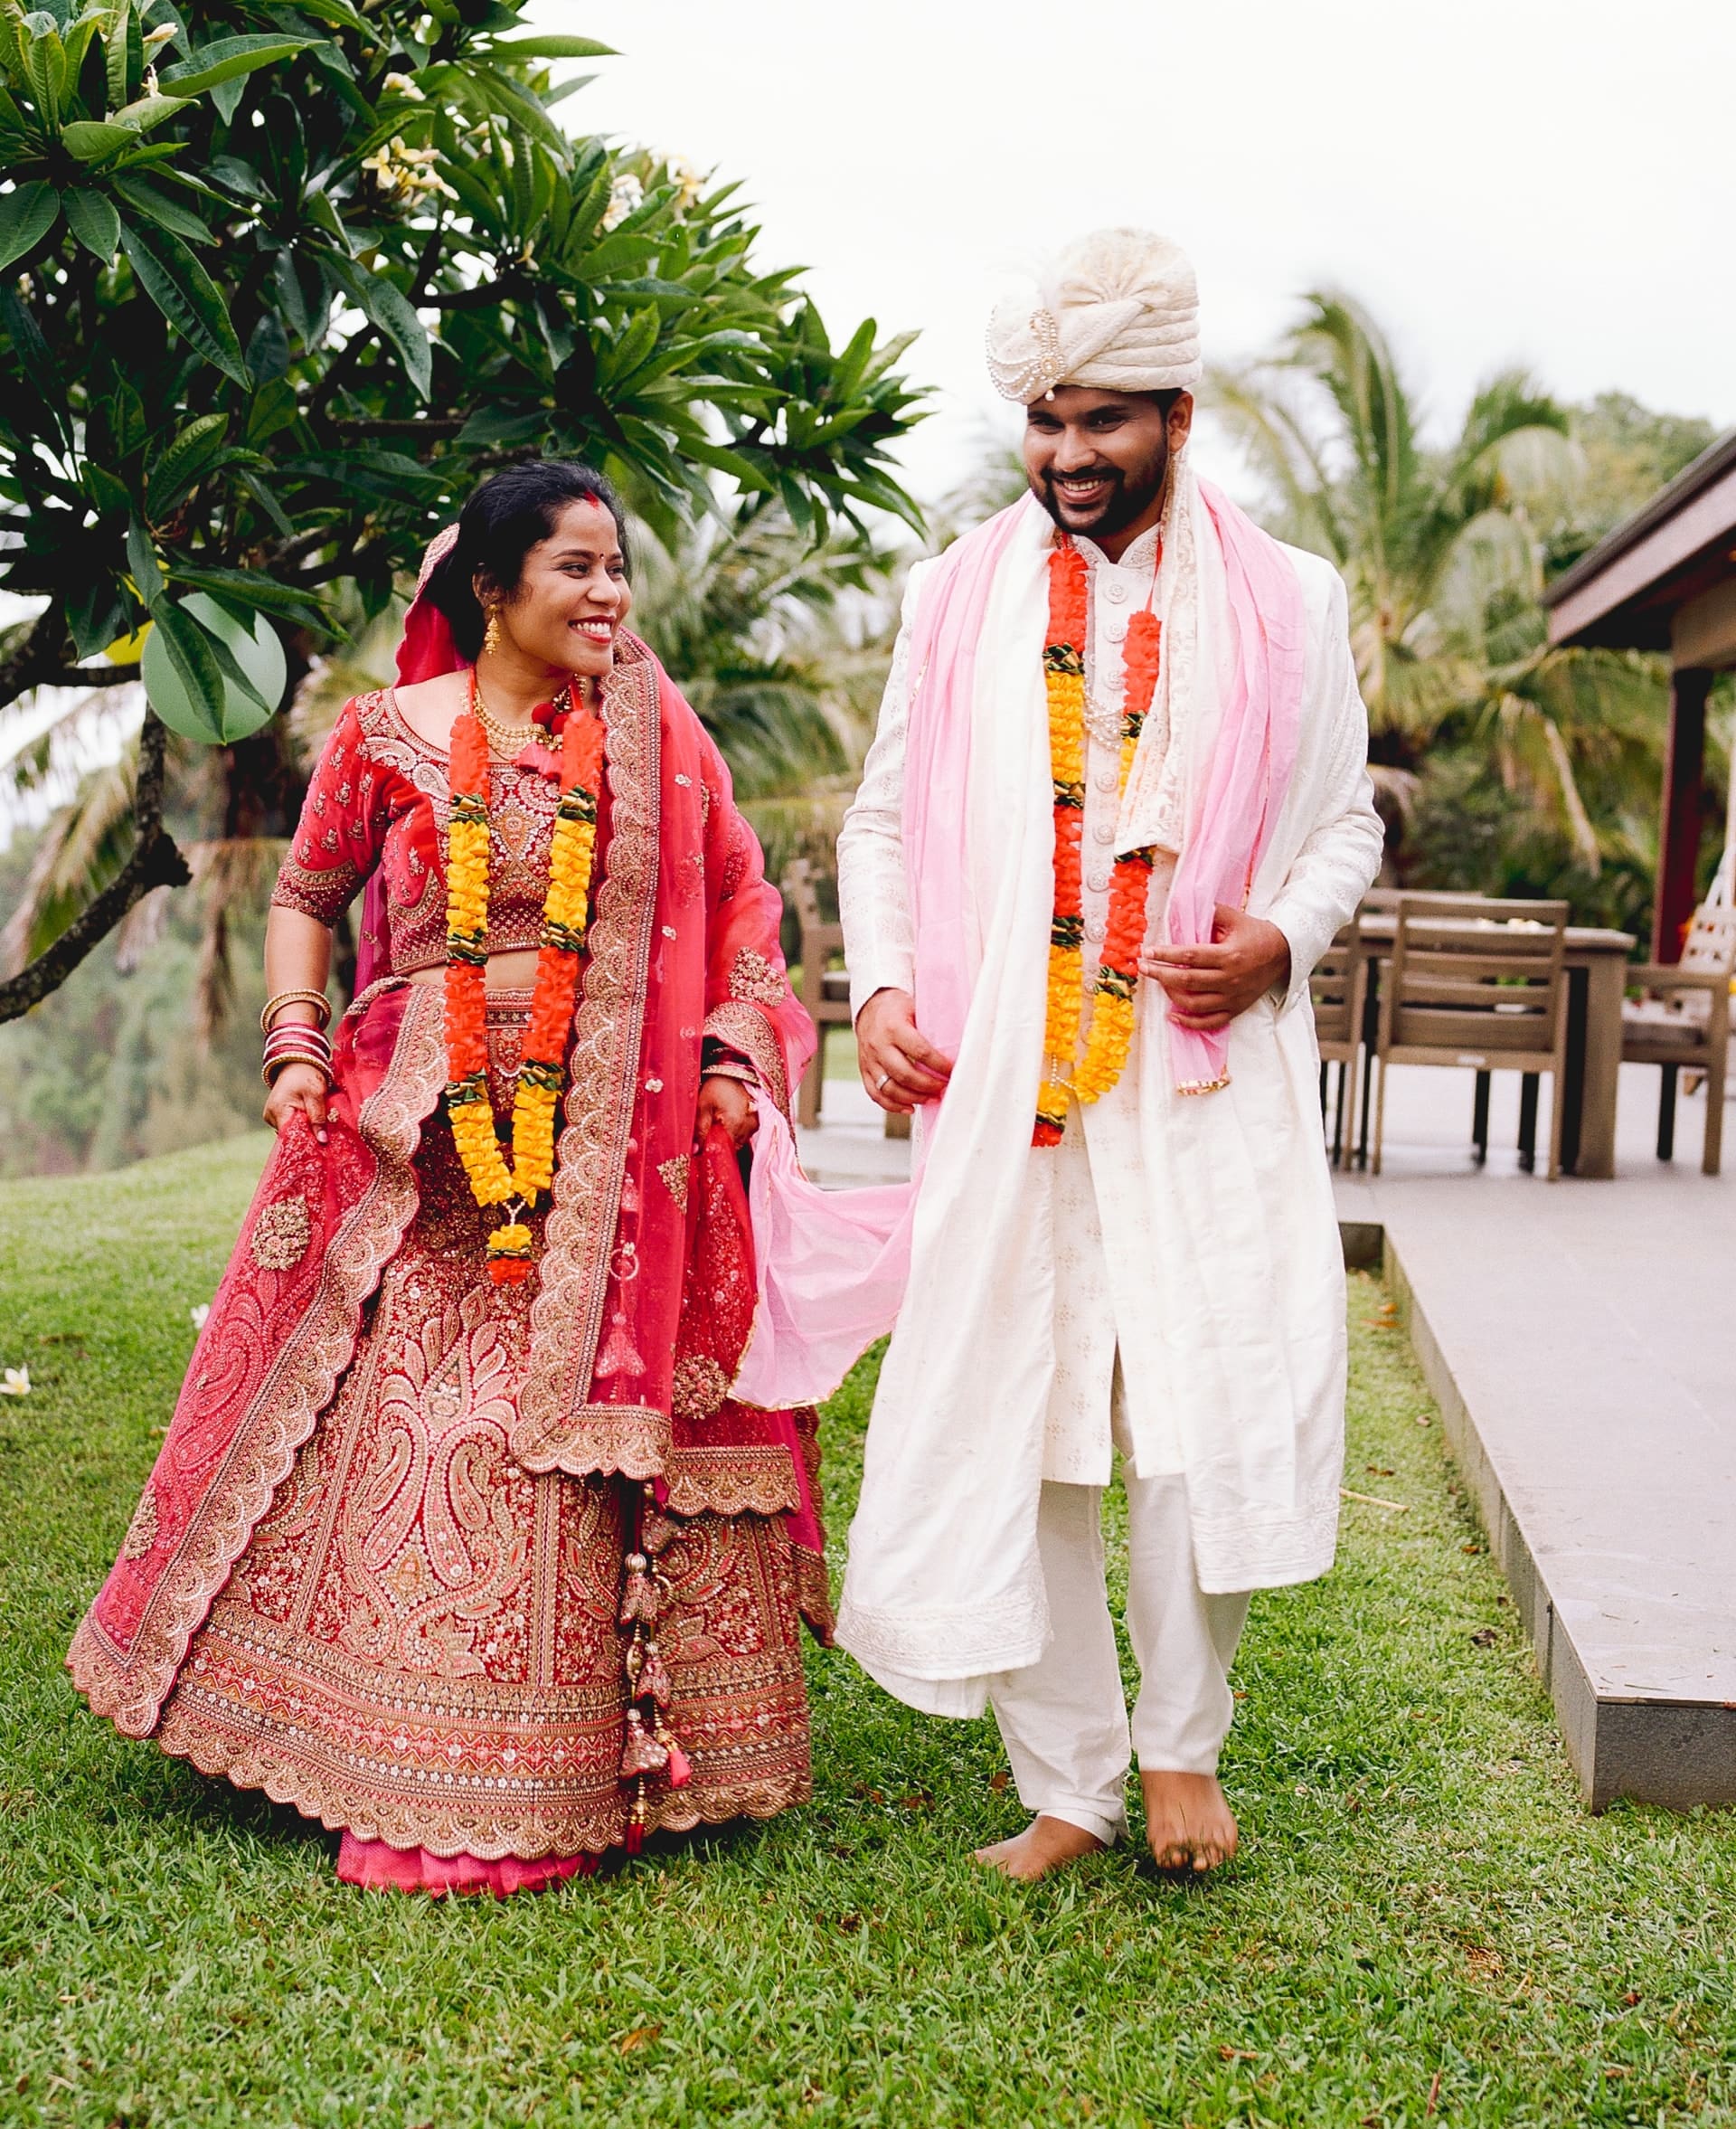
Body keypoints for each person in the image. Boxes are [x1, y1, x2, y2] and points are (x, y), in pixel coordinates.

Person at [69, 459, 829, 1895]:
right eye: (577, 569)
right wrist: (297, 1044)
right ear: (492, 591)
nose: (610, 596)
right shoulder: (383, 737)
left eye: (620, 570)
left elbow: (739, 893)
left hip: (616, 1162)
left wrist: (734, 1047)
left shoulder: (657, 731)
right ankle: (379, 1744)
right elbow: (306, 896)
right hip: (422, 1157)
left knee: (546, 1446)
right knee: (426, 1439)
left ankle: (589, 1756)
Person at [737, 228, 1383, 1880]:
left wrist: (1279, 944)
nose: (1067, 454)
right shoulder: (956, 595)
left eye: (1102, 419)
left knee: (1198, 1404)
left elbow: (1341, 824)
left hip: (1197, 1068)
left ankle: (1181, 1745)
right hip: (1003, 1074)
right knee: (1017, 1406)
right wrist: (880, 987)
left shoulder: (1292, 600)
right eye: (1043, 418)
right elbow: (880, 817)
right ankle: (1071, 1777)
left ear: (1180, 410)